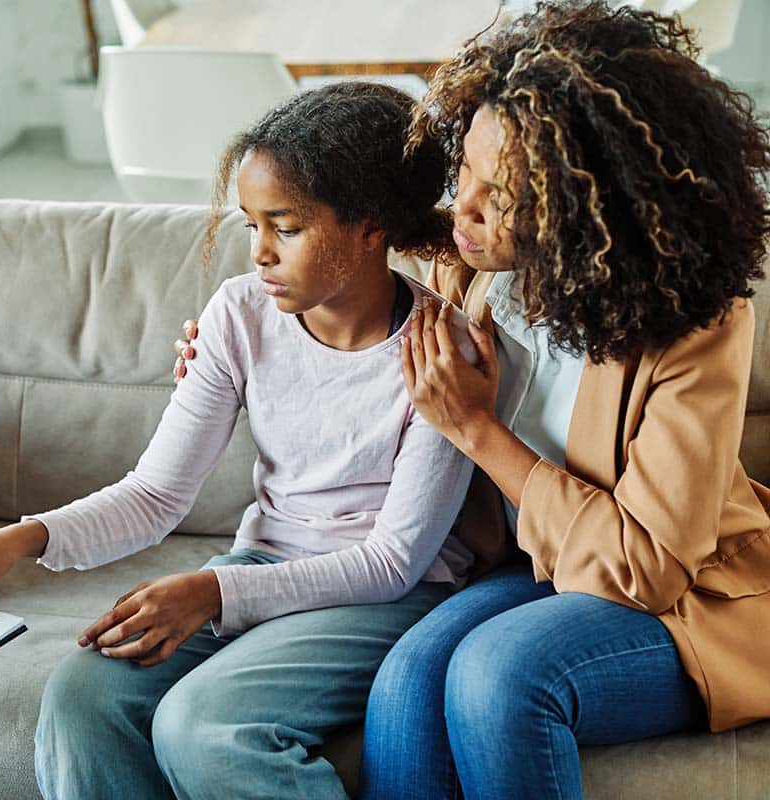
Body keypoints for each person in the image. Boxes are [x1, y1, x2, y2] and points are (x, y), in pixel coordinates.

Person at [178, 3, 770, 798]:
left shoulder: (695, 323)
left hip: (680, 599)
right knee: (405, 683)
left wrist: (477, 428)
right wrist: (226, 343)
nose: (462, 209)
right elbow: (339, 226)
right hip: (530, 571)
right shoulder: (477, 262)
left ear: (589, 209)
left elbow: (646, 568)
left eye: (503, 194)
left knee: (497, 679)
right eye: (467, 175)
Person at [0, 82, 474, 800]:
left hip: (387, 596)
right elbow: (157, 492)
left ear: (371, 228)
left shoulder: (443, 354)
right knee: (84, 697)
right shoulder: (239, 313)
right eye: (251, 225)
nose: (258, 254)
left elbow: (390, 561)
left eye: (285, 228)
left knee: (205, 727)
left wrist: (213, 590)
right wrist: (20, 539)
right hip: (266, 560)